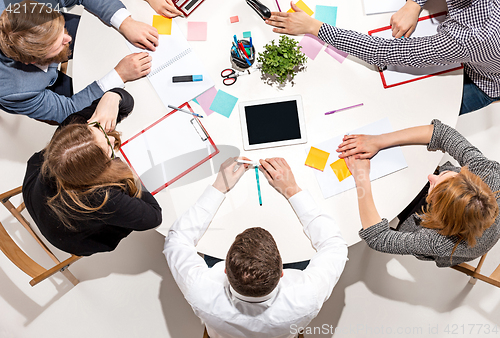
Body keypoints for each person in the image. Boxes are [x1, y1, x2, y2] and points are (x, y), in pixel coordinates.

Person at [164, 157, 348, 338]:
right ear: (282, 271)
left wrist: (219, 187)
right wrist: (292, 190)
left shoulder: (201, 292)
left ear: (226, 270)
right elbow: (335, 245)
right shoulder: (307, 298)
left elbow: (177, 239)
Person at [265, 0, 500, 115]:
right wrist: (414, 3)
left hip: (483, 81)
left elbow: (386, 52)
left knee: (415, 115)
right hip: (476, 50)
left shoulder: (475, 34)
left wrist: (314, 27)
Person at [336, 119, 500, 267]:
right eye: (443, 175)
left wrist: (361, 177)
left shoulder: (439, 241)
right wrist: (378, 140)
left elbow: (378, 238)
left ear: (439, 214)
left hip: (447, 234)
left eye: (433, 185)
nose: (430, 176)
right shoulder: (490, 173)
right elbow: (441, 133)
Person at [22, 88, 162, 256]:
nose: (111, 138)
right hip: (66, 236)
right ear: (96, 172)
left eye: (97, 130)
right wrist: (122, 169)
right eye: (108, 149)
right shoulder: (104, 197)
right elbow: (154, 216)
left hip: (35, 193)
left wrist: (112, 96)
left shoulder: (73, 136)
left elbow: (124, 105)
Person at [0, 0, 157, 123]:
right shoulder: (14, 91)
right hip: (35, 89)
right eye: (57, 45)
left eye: (62, 31)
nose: (68, 40)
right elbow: (68, 110)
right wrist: (119, 75)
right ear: (30, 61)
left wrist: (125, 22)